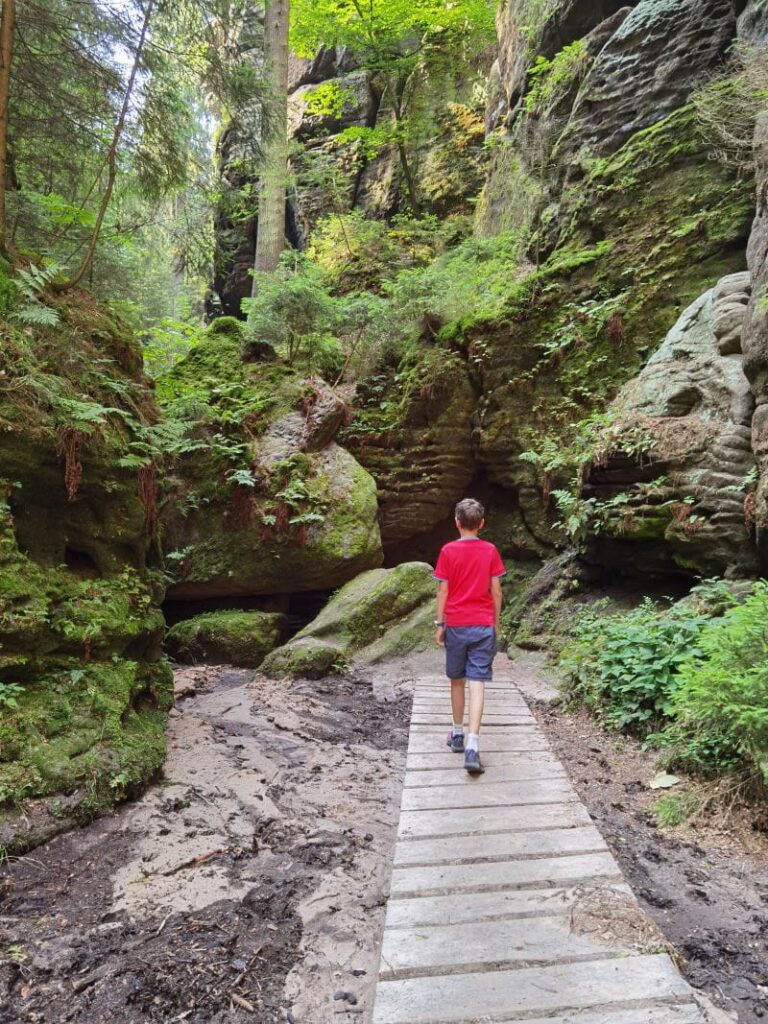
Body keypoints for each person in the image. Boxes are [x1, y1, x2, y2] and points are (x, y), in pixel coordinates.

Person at [433, 498, 506, 775]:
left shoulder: (447, 551)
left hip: (457, 625)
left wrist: (440, 624)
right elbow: (496, 591)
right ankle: (473, 746)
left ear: (457, 522)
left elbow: (443, 591)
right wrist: (495, 623)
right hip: (482, 625)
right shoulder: (490, 551)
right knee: (478, 682)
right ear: (482, 524)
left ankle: (457, 735)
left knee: (457, 681)